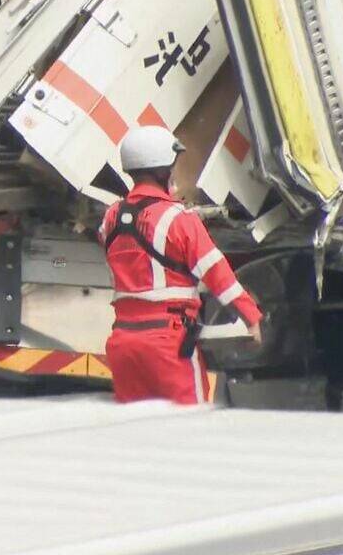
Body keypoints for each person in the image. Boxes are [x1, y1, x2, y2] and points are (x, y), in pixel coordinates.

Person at [101, 126, 264, 404]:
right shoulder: (178, 219)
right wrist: (251, 317)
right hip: (168, 344)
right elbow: (217, 273)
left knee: (133, 436)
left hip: (122, 343)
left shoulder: (111, 217)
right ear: (164, 169)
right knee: (186, 432)